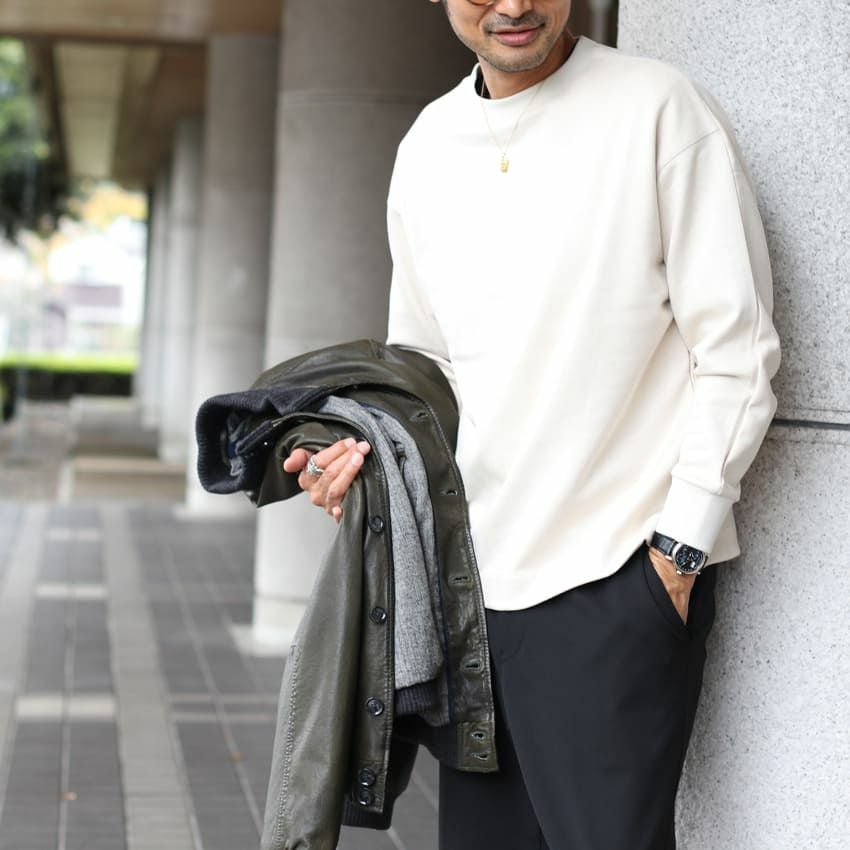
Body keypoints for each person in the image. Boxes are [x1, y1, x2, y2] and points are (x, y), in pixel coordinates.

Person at [282, 1, 781, 848]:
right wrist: (362, 464)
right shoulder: (428, 145)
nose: (513, 5)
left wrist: (678, 554)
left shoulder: (658, 108)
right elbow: (426, 374)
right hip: (471, 590)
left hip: (614, 581)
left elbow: (738, 348)